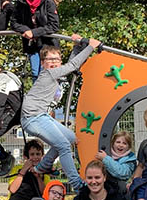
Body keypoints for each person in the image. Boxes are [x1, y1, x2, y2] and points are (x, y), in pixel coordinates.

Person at [21, 35, 101, 190]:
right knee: (63, 145)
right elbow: (72, 65)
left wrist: (77, 46)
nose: (54, 63)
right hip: (33, 118)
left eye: (57, 60)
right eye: (50, 60)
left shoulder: (56, 72)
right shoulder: (49, 73)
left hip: (41, 116)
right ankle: (77, 184)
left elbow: (71, 65)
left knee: (71, 138)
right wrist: (90, 46)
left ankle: (42, 167)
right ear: (43, 64)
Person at [10, 0, 61, 81]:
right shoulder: (21, 2)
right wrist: (25, 30)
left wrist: (33, 32)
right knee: (35, 73)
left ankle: (51, 97)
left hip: (48, 45)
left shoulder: (48, 2)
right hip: (32, 46)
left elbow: (54, 25)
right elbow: (14, 22)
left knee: (46, 73)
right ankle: (37, 98)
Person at [95, 130, 136, 195]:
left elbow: (121, 173)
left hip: (119, 190)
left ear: (129, 147)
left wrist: (105, 159)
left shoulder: (130, 160)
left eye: (124, 143)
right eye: (118, 142)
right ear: (113, 143)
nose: (121, 145)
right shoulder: (106, 154)